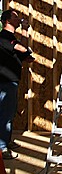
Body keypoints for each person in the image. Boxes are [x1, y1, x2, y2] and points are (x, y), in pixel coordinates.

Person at [0, 9, 34, 160]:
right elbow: (23, 50)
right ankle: (2, 148)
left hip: (11, 81)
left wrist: (25, 32)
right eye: (15, 16)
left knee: (9, 113)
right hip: (4, 82)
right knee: (5, 115)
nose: (18, 18)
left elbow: (25, 54)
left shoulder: (11, 38)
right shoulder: (3, 37)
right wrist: (25, 51)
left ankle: (6, 141)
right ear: (7, 21)